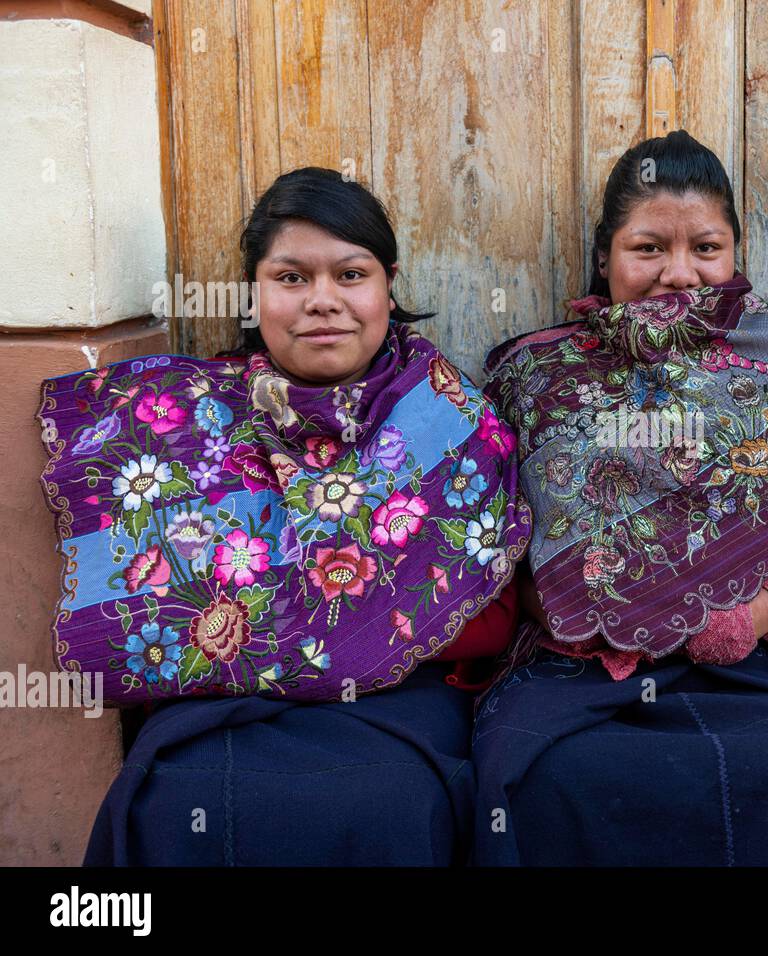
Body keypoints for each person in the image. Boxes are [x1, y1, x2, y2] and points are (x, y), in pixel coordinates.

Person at [37, 167, 529, 865]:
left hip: (395, 705)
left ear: (388, 283)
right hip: (221, 712)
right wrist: (328, 628)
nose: (323, 302)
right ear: (254, 293)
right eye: (292, 278)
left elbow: (492, 615)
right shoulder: (188, 422)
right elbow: (143, 611)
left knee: (388, 805)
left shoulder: (445, 416)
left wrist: (309, 635)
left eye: (351, 275)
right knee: (176, 799)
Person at [471, 131, 768, 866]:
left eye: (705, 247)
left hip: (731, 665)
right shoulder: (533, 373)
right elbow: (493, 539)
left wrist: (762, 611)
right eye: (649, 248)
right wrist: (570, 609)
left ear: (734, 255)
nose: (679, 273)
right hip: (573, 665)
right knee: (549, 777)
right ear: (605, 258)